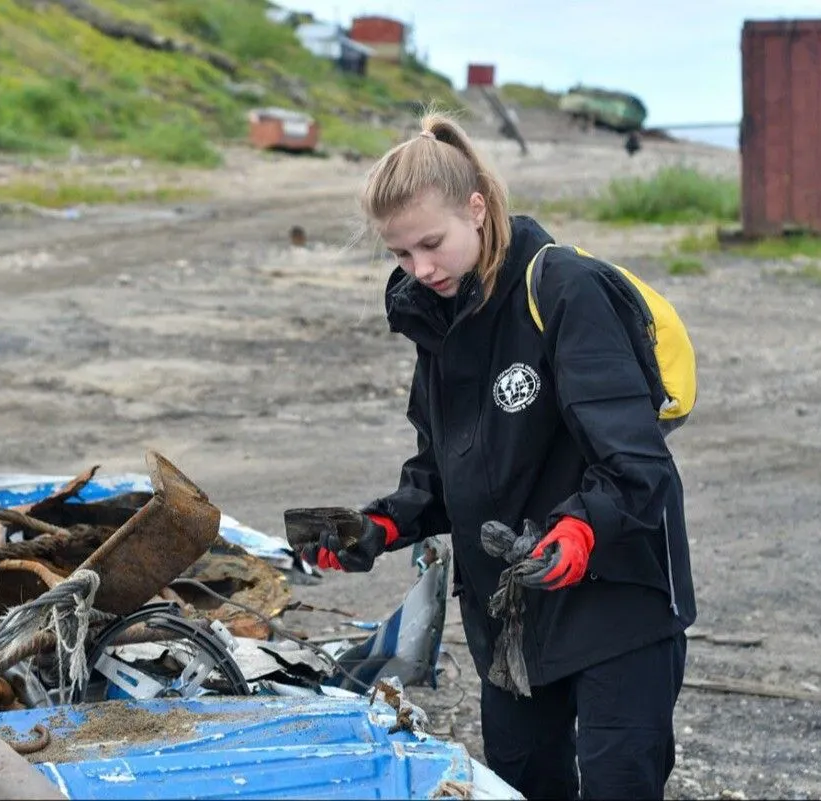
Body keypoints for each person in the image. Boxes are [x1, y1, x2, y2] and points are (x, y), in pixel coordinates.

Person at [293, 111, 697, 800]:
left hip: (616, 603)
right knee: (521, 784)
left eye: (431, 243)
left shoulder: (565, 290)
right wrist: (379, 526)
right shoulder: (437, 318)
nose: (419, 269)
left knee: (616, 784)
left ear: (476, 209)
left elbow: (638, 463)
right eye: (399, 255)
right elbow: (447, 470)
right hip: (511, 615)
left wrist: (580, 529)